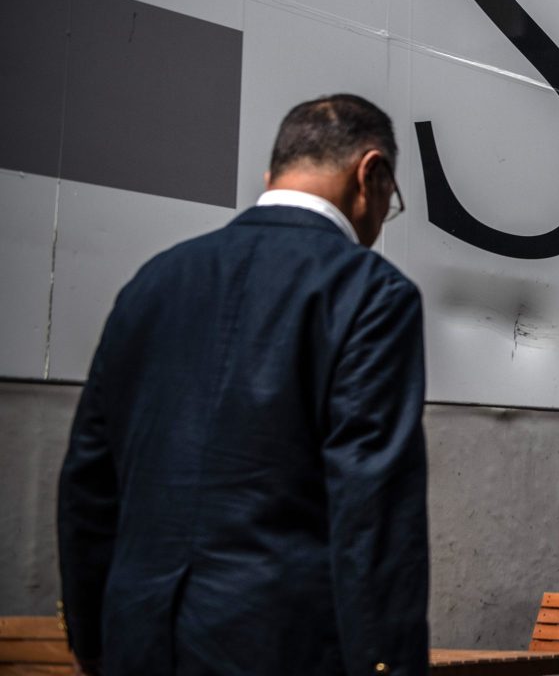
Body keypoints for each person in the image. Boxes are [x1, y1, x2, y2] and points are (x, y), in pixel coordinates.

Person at [56, 94, 429, 676]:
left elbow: (89, 481)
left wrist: (90, 639)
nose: (382, 219)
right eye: (391, 202)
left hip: (138, 641)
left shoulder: (153, 282)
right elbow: (373, 511)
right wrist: (388, 665)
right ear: (371, 174)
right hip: (280, 650)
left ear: (271, 175)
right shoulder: (370, 293)